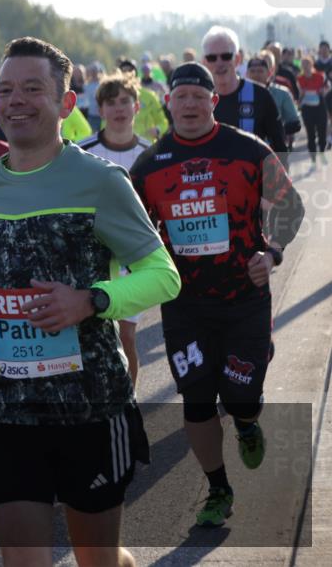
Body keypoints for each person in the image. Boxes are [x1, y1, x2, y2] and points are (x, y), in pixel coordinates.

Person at [0, 37, 180, 567]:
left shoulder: (102, 181)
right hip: (7, 407)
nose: (16, 101)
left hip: (90, 404)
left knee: (98, 560)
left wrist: (91, 300)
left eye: (32, 89)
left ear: (66, 103)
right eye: (6, 90)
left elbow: (163, 276)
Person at [130, 62, 305, 528]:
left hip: (245, 298)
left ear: (214, 101)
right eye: (181, 96)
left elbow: (290, 205)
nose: (189, 104)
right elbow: (133, 231)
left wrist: (272, 253)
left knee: (241, 397)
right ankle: (218, 490)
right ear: (168, 103)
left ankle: (246, 421)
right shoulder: (149, 166)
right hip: (184, 305)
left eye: (198, 96)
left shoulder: (248, 150)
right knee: (197, 400)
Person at [78, 73, 153, 388]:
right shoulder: (81, 151)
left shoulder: (151, 153)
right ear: (101, 110)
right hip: (91, 257)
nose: (119, 108)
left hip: (133, 260)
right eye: (111, 102)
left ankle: (128, 401)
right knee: (93, 337)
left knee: (126, 335)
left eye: (125, 101)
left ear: (137, 106)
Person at [201, 27, 287, 157]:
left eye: (226, 56)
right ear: (204, 62)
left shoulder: (260, 95)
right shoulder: (198, 100)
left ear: (237, 59)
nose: (219, 63)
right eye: (212, 58)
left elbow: (279, 147)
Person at [247, 53, 301, 152]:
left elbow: (295, 123)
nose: (256, 75)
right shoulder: (238, 94)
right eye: (252, 71)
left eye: (260, 71)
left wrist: (275, 130)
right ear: (247, 74)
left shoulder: (282, 93)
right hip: (247, 151)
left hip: (275, 151)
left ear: (269, 73)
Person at [119, 58, 169, 141]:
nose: (127, 75)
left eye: (130, 72)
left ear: (136, 75)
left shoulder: (149, 96)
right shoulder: (112, 99)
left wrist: (157, 129)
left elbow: (163, 122)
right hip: (121, 144)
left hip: (146, 145)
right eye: (123, 72)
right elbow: (105, 124)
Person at [297, 56, 329, 165]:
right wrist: (301, 95)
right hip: (307, 108)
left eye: (307, 63)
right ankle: (313, 159)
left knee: (322, 132)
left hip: (320, 106)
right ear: (301, 66)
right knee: (310, 134)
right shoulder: (300, 79)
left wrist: (323, 90)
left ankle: (322, 152)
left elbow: (328, 87)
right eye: (303, 64)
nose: (306, 66)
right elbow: (298, 96)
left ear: (312, 64)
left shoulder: (320, 76)